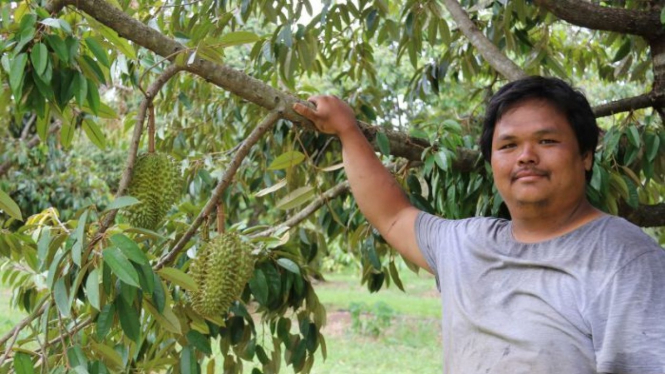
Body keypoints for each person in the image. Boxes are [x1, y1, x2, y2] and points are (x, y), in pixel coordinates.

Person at [292, 76, 665, 374]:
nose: (526, 157)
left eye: (547, 140)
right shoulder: (468, 244)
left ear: (585, 156)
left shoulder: (627, 261)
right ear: (491, 163)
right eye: (507, 146)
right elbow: (392, 215)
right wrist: (347, 130)